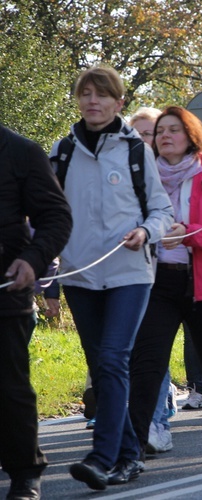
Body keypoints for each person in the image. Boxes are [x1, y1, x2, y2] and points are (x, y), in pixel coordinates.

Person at [49, 66, 173, 490]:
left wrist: (146, 232)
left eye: (101, 95)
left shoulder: (137, 152)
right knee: (100, 367)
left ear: (119, 102)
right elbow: (49, 215)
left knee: (113, 358)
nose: (92, 101)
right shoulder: (62, 152)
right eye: (85, 94)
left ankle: (102, 457)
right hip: (80, 275)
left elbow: (162, 211)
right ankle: (127, 455)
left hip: (129, 272)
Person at [127, 106, 202, 465]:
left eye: (174, 130)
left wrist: (189, 235)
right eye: (160, 130)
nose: (165, 135)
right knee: (147, 364)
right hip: (157, 281)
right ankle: (131, 448)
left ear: (190, 136)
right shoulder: (141, 176)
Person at [1, 124, 72, 500]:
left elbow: (56, 216)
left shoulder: (21, 151)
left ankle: (25, 473)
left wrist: (33, 259)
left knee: (9, 387)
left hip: (6, 284)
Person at [128, 107, 178, 454]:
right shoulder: (123, 172)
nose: (145, 140)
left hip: (166, 274)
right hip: (127, 272)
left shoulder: (173, 175)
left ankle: (156, 421)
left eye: (150, 133)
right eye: (138, 134)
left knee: (151, 351)